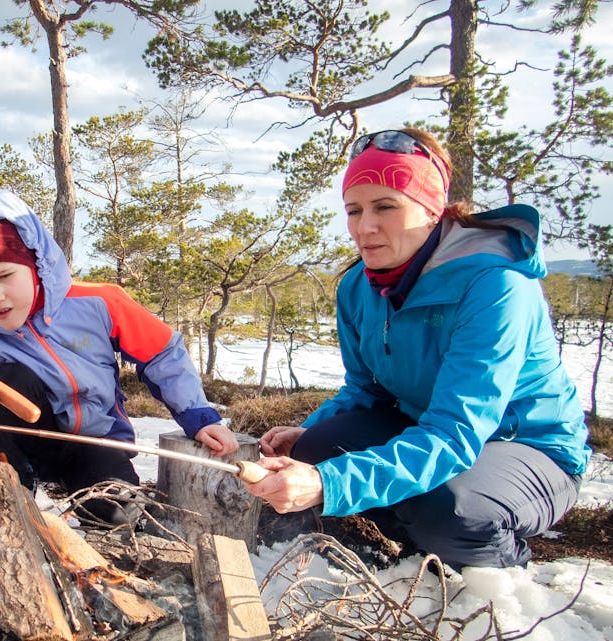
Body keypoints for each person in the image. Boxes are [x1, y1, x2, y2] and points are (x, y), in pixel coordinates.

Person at [245, 128, 591, 569]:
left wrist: (330, 485)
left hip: (528, 447)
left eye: (385, 207)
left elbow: (456, 431)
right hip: (428, 426)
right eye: (354, 210)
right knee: (316, 448)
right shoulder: (357, 287)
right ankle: (409, 550)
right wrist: (305, 433)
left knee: (449, 509)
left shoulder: (496, 286)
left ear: (431, 210)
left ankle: (502, 568)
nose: (364, 227)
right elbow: (364, 390)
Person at [0, 187, 239, 524]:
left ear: (35, 262)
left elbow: (162, 352)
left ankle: (108, 512)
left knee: (117, 514)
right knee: (9, 381)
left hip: (99, 442)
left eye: (5, 276)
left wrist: (198, 416)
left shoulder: (98, 302)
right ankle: (10, 505)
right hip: (28, 449)